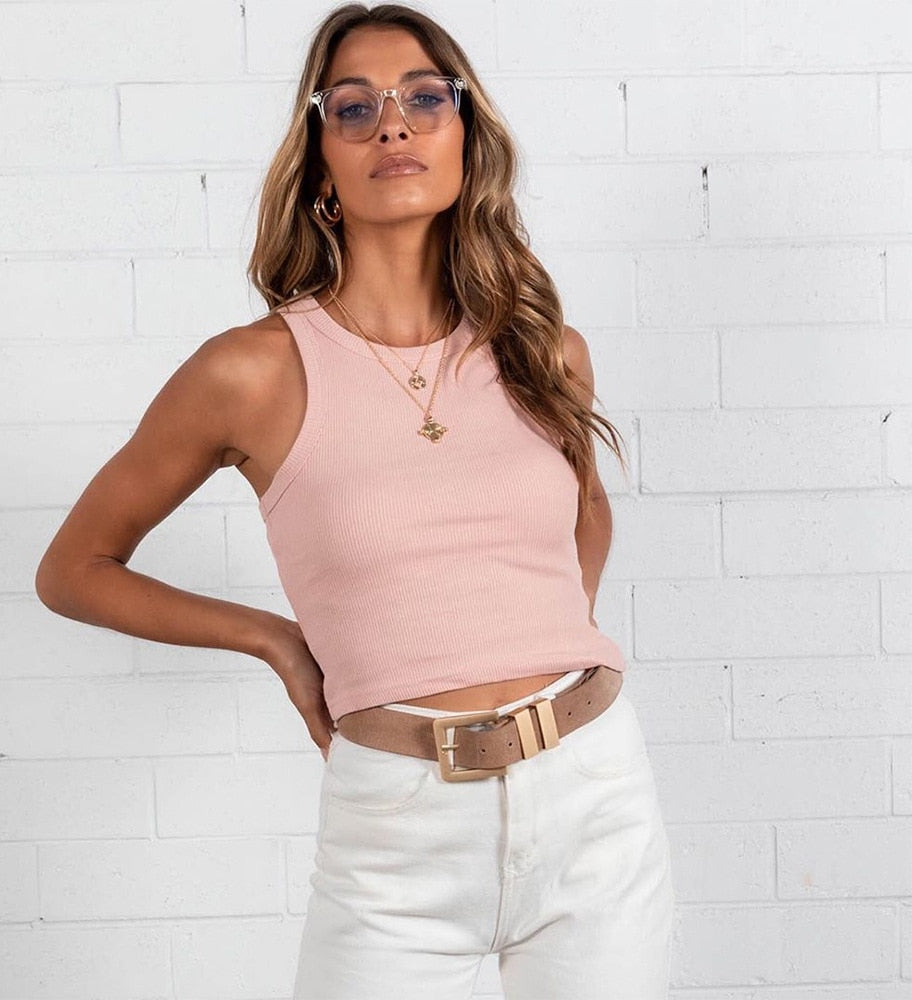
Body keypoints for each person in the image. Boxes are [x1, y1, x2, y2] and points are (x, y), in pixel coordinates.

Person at [35, 3, 675, 997]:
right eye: (354, 107)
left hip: (594, 793)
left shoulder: (543, 350)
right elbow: (74, 569)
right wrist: (276, 641)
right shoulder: (250, 373)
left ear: (465, 135)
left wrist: (538, 633)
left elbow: (585, 512)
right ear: (321, 161)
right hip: (396, 829)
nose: (393, 125)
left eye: (425, 97)